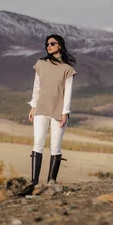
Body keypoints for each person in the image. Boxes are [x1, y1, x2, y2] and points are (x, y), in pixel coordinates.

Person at [27, 34, 77, 185]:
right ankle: (34, 182)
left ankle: (51, 183)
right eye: (47, 44)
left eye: (52, 43)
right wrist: (33, 106)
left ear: (59, 46)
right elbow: (37, 86)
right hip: (41, 108)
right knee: (38, 143)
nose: (48, 46)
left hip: (58, 111)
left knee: (55, 146)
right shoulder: (41, 64)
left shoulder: (67, 69)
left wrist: (65, 113)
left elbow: (68, 93)